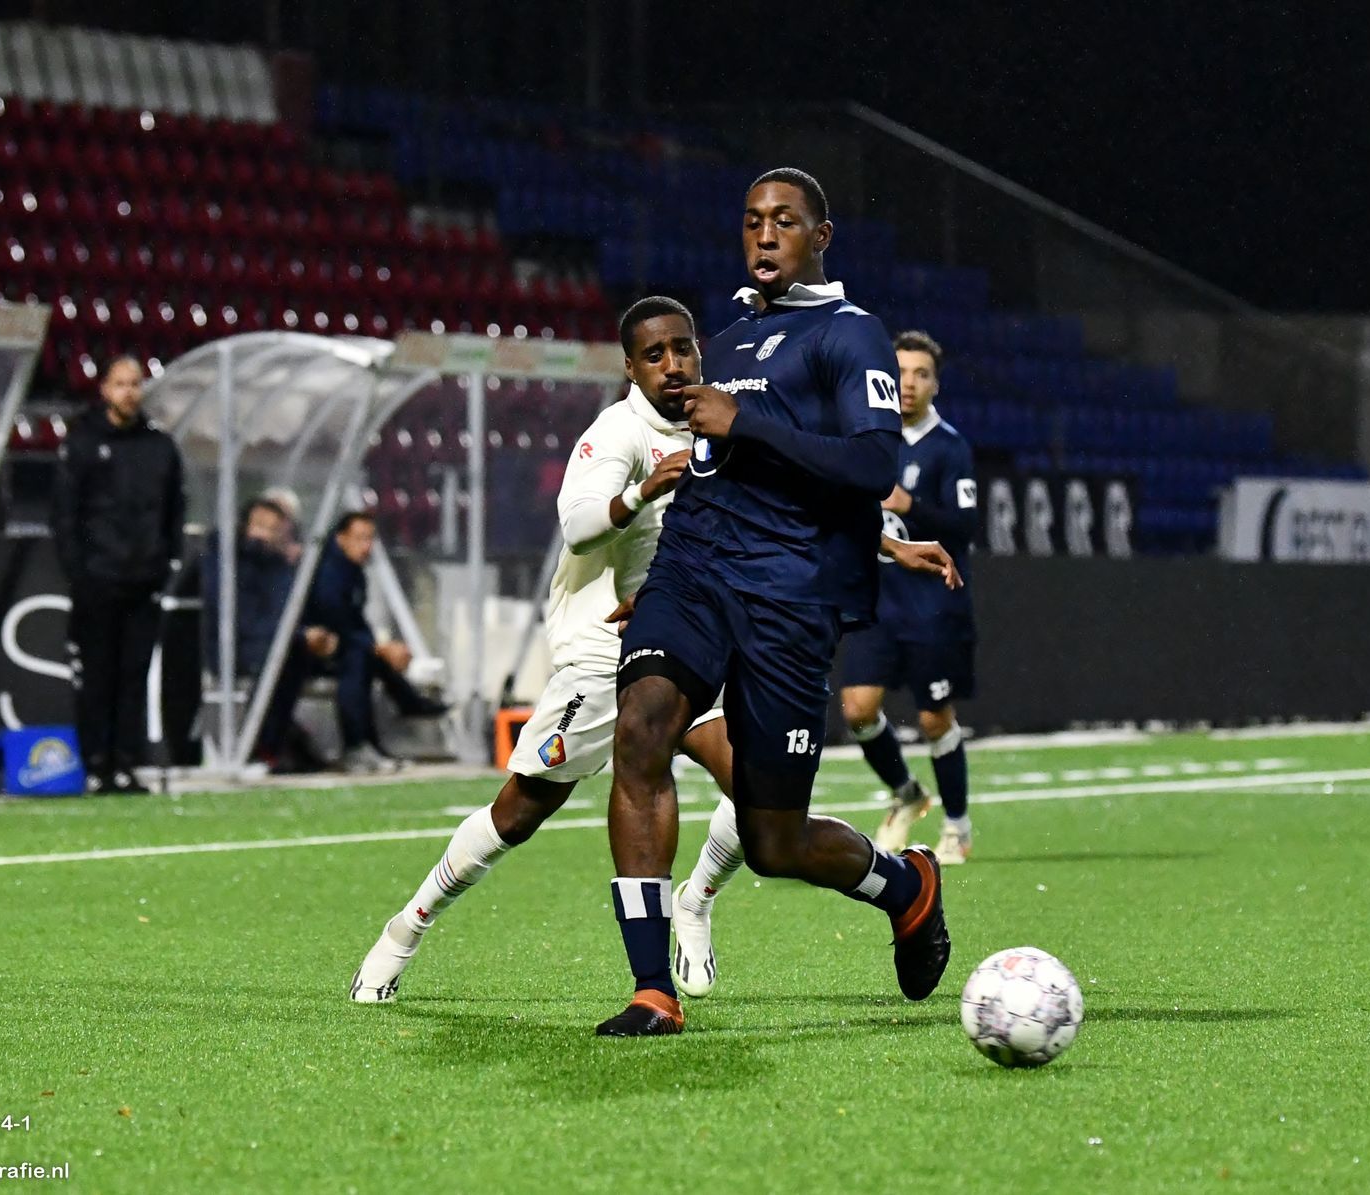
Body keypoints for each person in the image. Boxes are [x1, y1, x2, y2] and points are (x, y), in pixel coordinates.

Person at [347, 296, 959, 1004]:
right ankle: (405, 929)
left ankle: (696, 905)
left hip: (696, 635)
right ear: (630, 367)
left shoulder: (724, 417)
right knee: (519, 812)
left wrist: (887, 544)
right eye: (654, 355)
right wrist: (641, 491)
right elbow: (578, 525)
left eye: (683, 349)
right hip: (604, 650)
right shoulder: (618, 431)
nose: (673, 365)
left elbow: (786, 505)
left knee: (762, 802)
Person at [597, 167, 950, 1037]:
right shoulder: (725, 340)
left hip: (789, 598)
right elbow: (719, 467)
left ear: (820, 237)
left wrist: (746, 423)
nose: (764, 234)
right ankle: (652, 989)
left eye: (784, 221)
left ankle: (907, 886)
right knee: (642, 724)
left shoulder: (849, 335)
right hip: (694, 575)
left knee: (773, 842)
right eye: (753, 219)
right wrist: (652, 579)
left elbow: (873, 465)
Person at [843, 330, 979, 864]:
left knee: (933, 719)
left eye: (921, 374)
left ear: (935, 384)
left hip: (932, 606)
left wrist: (911, 504)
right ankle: (907, 793)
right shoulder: (868, 438)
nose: (909, 383)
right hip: (877, 601)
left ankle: (958, 826)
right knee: (858, 709)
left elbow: (965, 527)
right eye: (900, 372)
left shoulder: (949, 447)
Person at [52, 355, 186, 794]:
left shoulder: (160, 447)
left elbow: (174, 510)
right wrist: (79, 571)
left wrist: (166, 562)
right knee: (97, 675)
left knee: (133, 675)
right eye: (121, 384)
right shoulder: (83, 443)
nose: (129, 392)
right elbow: (65, 514)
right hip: (98, 579)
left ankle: (127, 762)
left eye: (135, 384)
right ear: (105, 390)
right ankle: (96, 764)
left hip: (143, 579)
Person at [305, 511, 448, 774]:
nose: (366, 545)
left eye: (370, 538)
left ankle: (378, 736)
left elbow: (356, 623)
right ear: (341, 538)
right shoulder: (328, 572)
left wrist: (380, 648)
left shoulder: (353, 572)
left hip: (343, 647)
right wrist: (380, 649)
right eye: (360, 538)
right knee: (359, 660)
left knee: (366, 657)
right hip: (312, 650)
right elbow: (335, 621)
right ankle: (359, 744)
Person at [199, 497, 332, 772]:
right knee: (284, 659)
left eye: (273, 529)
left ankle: (283, 741)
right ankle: (264, 745)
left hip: (276, 644)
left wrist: (310, 634)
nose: (264, 535)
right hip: (234, 647)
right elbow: (242, 617)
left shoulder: (278, 564)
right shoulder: (226, 559)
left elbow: (287, 610)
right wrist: (299, 635)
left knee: (314, 655)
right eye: (260, 525)